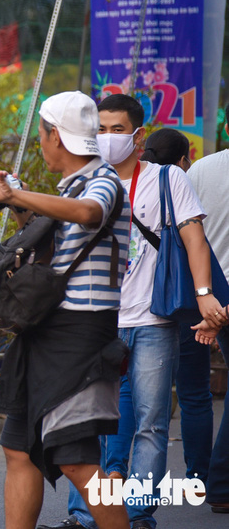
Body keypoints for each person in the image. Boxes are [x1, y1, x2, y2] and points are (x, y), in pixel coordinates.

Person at [43, 96, 224, 529]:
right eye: (101, 129)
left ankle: (138, 513)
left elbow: (194, 238)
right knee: (89, 421)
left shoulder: (166, 179)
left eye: (117, 129)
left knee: (150, 421)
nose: (108, 138)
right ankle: (86, 515)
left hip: (152, 321)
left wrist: (204, 294)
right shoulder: (84, 181)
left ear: (138, 135)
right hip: (96, 321)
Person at [0, 90, 131, 529]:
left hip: (81, 334)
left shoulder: (103, 181)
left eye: (42, 134)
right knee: (19, 448)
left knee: (76, 458)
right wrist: (9, 199)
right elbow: (51, 239)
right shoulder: (67, 187)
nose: (41, 142)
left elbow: (87, 213)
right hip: (43, 328)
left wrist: (17, 193)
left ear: (54, 136)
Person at [143, 127, 214, 486]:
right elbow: (197, 243)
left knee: (131, 399)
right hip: (186, 302)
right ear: (183, 160)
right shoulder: (183, 182)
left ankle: (117, 479)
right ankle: (199, 476)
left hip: (139, 305)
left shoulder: (132, 184)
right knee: (194, 393)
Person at [187, 105, 229, 514]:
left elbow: (190, 230)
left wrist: (206, 295)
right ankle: (219, 484)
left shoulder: (200, 169)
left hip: (208, 287)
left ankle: (215, 482)